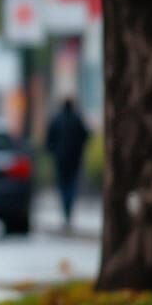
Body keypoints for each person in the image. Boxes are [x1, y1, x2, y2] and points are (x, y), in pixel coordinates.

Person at [45, 97, 90, 228]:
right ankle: (68, 210)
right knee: (71, 184)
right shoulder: (77, 119)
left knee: (63, 185)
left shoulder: (56, 119)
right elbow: (86, 135)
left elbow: (48, 140)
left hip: (60, 159)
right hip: (74, 158)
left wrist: (53, 152)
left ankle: (66, 210)